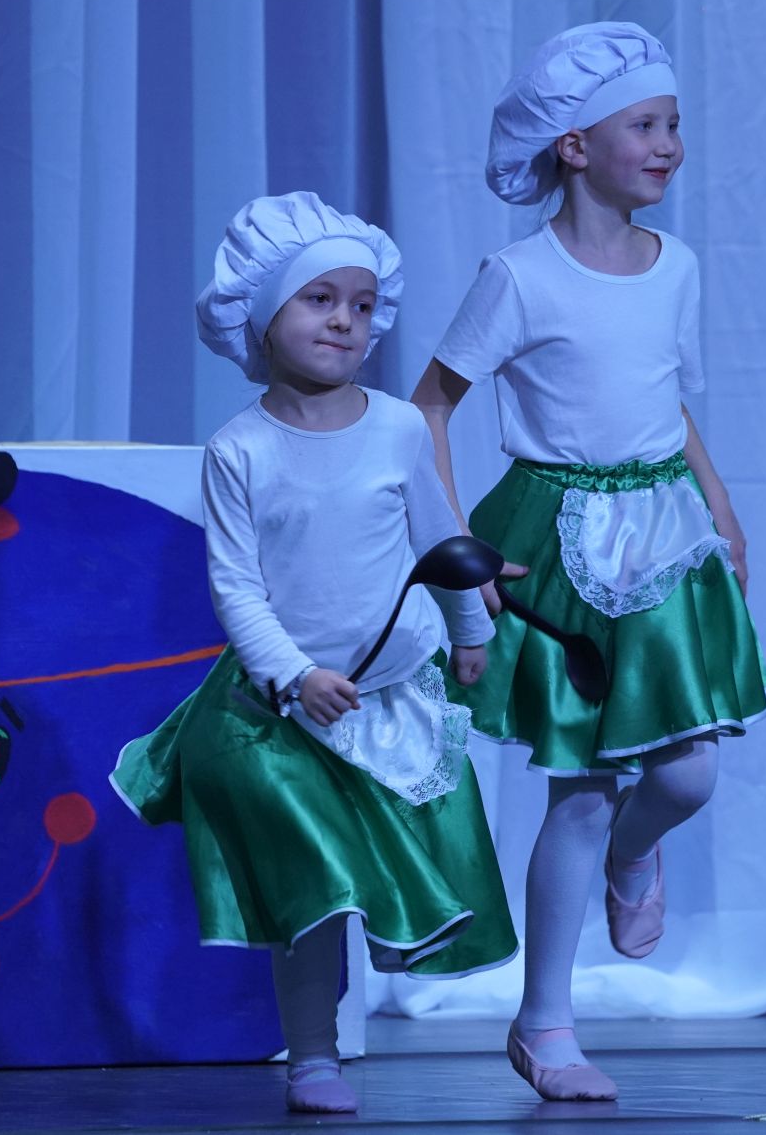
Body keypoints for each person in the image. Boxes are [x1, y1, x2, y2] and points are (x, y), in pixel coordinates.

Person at [412, 22, 766, 1103]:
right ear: (573, 146)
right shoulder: (519, 276)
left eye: (673, 125)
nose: (667, 144)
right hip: (554, 533)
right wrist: (454, 544)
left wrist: (717, 503)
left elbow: (666, 400)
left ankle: (631, 851)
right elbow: (429, 405)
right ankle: (545, 1023)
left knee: (687, 770)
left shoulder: (677, 266)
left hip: (661, 531)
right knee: (580, 786)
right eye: (645, 124)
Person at [112, 192, 516, 1116]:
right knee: (317, 887)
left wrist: (469, 630)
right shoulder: (240, 449)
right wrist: (293, 674)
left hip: (386, 696)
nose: (345, 320)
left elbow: (439, 537)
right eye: (320, 299)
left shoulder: (397, 428)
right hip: (279, 713)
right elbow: (237, 587)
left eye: (362, 305)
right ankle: (312, 1054)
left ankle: (331, 1038)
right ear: (262, 317)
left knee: (371, 878)